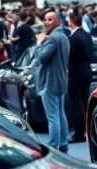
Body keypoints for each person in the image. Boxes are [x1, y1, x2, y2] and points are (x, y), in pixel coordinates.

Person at [33, 11, 70, 152]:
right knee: (60, 114)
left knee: (53, 117)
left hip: (50, 82)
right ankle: (63, 143)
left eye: (50, 19)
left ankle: (54, 146)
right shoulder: (64, 37)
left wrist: (38, 43)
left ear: (58, 21)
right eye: (45, 19)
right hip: (61, 81)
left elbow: (41, 58)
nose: (46, 22)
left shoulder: (52, 39)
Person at [66, 8, 93, 144]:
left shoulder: (73, 38)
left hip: (76, 73)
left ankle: (79, 133)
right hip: (87, 71)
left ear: (71, 22)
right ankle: (87, 129)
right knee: (84, 101)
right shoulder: (87, 35)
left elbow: (68, 57)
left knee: (77, 103)